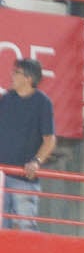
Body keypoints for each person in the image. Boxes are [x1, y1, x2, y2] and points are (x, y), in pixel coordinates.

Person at [0, 59, 57, 230]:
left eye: (16, 72)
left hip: (24, 179)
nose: (12, 76)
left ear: (29, 79)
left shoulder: (43, 103)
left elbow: (50, 139)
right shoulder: (6, 99)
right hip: (1, 176)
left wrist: (36, 161)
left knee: (27, 227)